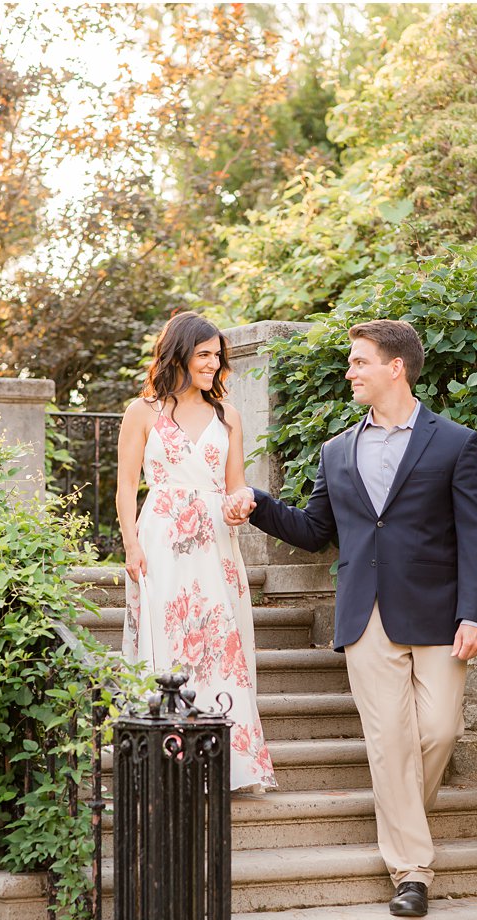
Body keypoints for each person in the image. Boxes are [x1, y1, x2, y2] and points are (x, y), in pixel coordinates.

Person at [223, 319, 477, 918]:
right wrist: (260, 505)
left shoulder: (455, 442)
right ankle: (412, 871)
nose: (349, 372)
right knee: (388, 739)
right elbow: (318, 531)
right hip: (365, 613)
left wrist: (475, 615)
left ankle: (403, 831)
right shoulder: (336, 450)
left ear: (394, 367)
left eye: (359, 362)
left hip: (440, 612)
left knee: (438, 732)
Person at [117, 310, 276, 793]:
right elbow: (126, 488)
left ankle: (224, 759)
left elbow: (235, 486)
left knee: (218, 644)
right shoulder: (142, 411)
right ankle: (164, 754)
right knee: (166, 638)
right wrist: (130, 544)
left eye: (217, 355)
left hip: (214, 543)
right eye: (204, 354)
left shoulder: (229, 416)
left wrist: (237, 506)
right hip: (160, 536)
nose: (214, 363)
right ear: (180, 354)